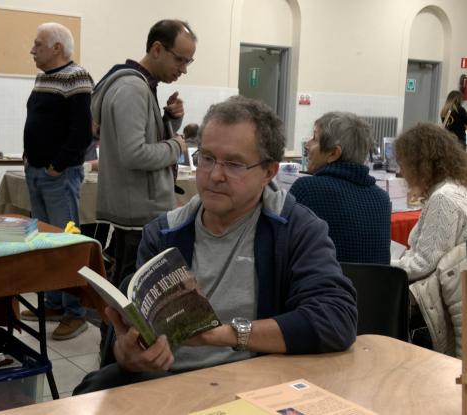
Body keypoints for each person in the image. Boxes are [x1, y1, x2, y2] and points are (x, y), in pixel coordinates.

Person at [74, 96, 357, 393]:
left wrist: (227, 335)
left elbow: (336, 318)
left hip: (255, 387)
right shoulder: (164, 233)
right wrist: (129, 356)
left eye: (234, 164)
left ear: (269, 173)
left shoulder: (295, 229)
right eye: (206, 158)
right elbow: (131, 351)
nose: (214, 175)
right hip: (168, 387)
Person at [91, 19, 193, 290]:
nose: (183, 70)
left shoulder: (142, 85)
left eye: (188, 63)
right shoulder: (132, 88)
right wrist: (177, 146)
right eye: (180, 60)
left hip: (138, 211)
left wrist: (168, 119)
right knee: (130, 299)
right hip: (136, 217)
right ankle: (114, 335)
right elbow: (134, 154)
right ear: (157, 49)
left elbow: (143, 139)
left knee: (131, 293)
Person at [20, 22, 95, 340]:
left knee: (66, 243)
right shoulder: (44, 77)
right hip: (37, 171)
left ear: (57, 49)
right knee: (46, 243)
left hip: (58, 175)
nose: (32, 49)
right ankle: (52, 302)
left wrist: (56, 165)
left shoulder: (77, 76)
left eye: (38, 44)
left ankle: (75, 313)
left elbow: (81, 131)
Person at [392, 123, 467, 355]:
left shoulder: (443, 199)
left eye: (403, 163)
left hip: (438, 301)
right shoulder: (454, 188)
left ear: (420, 163)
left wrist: (386, 265)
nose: (401, 172)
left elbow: (424, 263)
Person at [289, 112, 391, 264]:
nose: (307, 145)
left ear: (334, 153)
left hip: (320, 286)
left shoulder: (307, 189)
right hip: (372, 287)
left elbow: (281, 250)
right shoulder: (382, 199)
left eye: (315, 139)